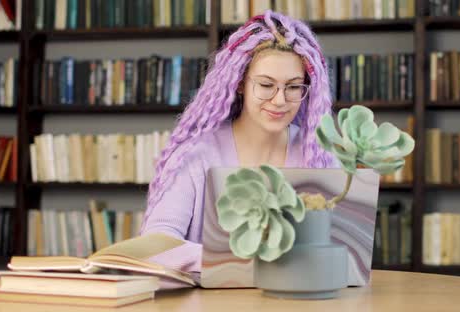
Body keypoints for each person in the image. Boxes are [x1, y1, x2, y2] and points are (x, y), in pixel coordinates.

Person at [141, 11, 337, 288]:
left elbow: (340, 248)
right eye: (266, 85)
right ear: (241, 83)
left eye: (294, 87)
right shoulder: (196, 154)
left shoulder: (319, 154)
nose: (280, 100)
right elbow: (156, 244)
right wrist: (245, 260)